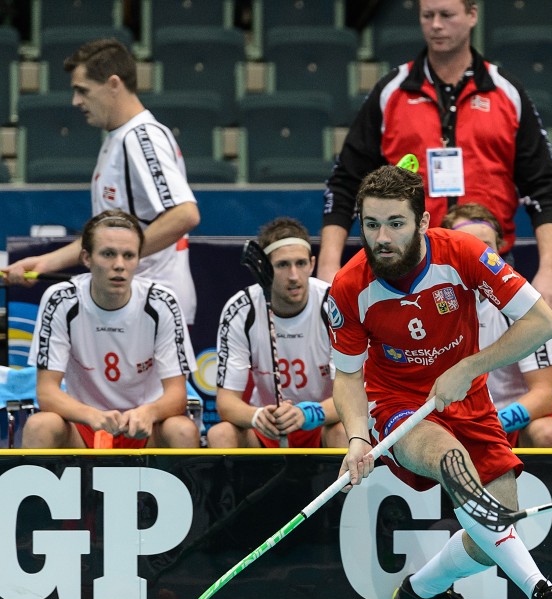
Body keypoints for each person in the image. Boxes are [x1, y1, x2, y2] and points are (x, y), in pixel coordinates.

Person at [325, 164, 552, 599]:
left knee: (492, 534)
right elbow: (347, 376)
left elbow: (544, 322)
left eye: (396, 223)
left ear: (423, 222)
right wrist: (359, 436)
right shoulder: (348, 287)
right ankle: (542, 593)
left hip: (469, 399)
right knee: (450, 460)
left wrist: (469, 368)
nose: (382, 237)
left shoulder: (462, 253)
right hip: (399, 405)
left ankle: (421, 591)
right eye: (372, 224)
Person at [319, 0, 552, 313]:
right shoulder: (390, 92)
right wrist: (328, 267)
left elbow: (544, 187)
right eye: (427, 15)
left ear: (472, 15)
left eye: (446, 15)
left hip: (489, 264)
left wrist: (551, 271)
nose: (436, 25)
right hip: (405, 266)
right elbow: (345, 183)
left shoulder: (507, 93)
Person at [3, 38, 200, 325]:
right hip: (132, 303)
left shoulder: (140, 138)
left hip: (150, 306)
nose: (76, 101)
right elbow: (108, 238)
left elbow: (185, 214)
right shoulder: (120, 137)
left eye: (82, 91)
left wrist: (121, 258)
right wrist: (45, 263)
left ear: (113, 84)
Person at [22, 209, 199, 449]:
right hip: (85, 425)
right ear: (86, 258)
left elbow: (177, 394)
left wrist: (149, 412)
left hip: (144, 427)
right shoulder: (61, 300)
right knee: (40, 425)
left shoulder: (161, 302)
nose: (119, 265)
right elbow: (47, 392)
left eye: (128, 255)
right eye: (108, 254)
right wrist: (91, 415)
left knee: (182, 429)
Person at [207, 218, 347, 449]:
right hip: (268, 427)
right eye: (283, 265)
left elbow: (356, 395)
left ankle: (344, 487)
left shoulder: (334, 304)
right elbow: (226, 403)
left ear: (312, 264)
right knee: (220, 434)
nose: (294, 275)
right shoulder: (242, 309)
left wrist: (309, 414)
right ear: (264, 269)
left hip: (322, 422)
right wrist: (257, 416)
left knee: (344, 430)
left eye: (301, 263)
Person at [442, 202, 552, 448]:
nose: (475, 256)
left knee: (549, 432)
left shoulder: (524, 304)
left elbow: (545, 394)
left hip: (508, 422)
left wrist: (495, 424)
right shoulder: (422, 304)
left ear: (499, 253)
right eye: (464, 246)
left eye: (484, 247)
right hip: (447, 423)